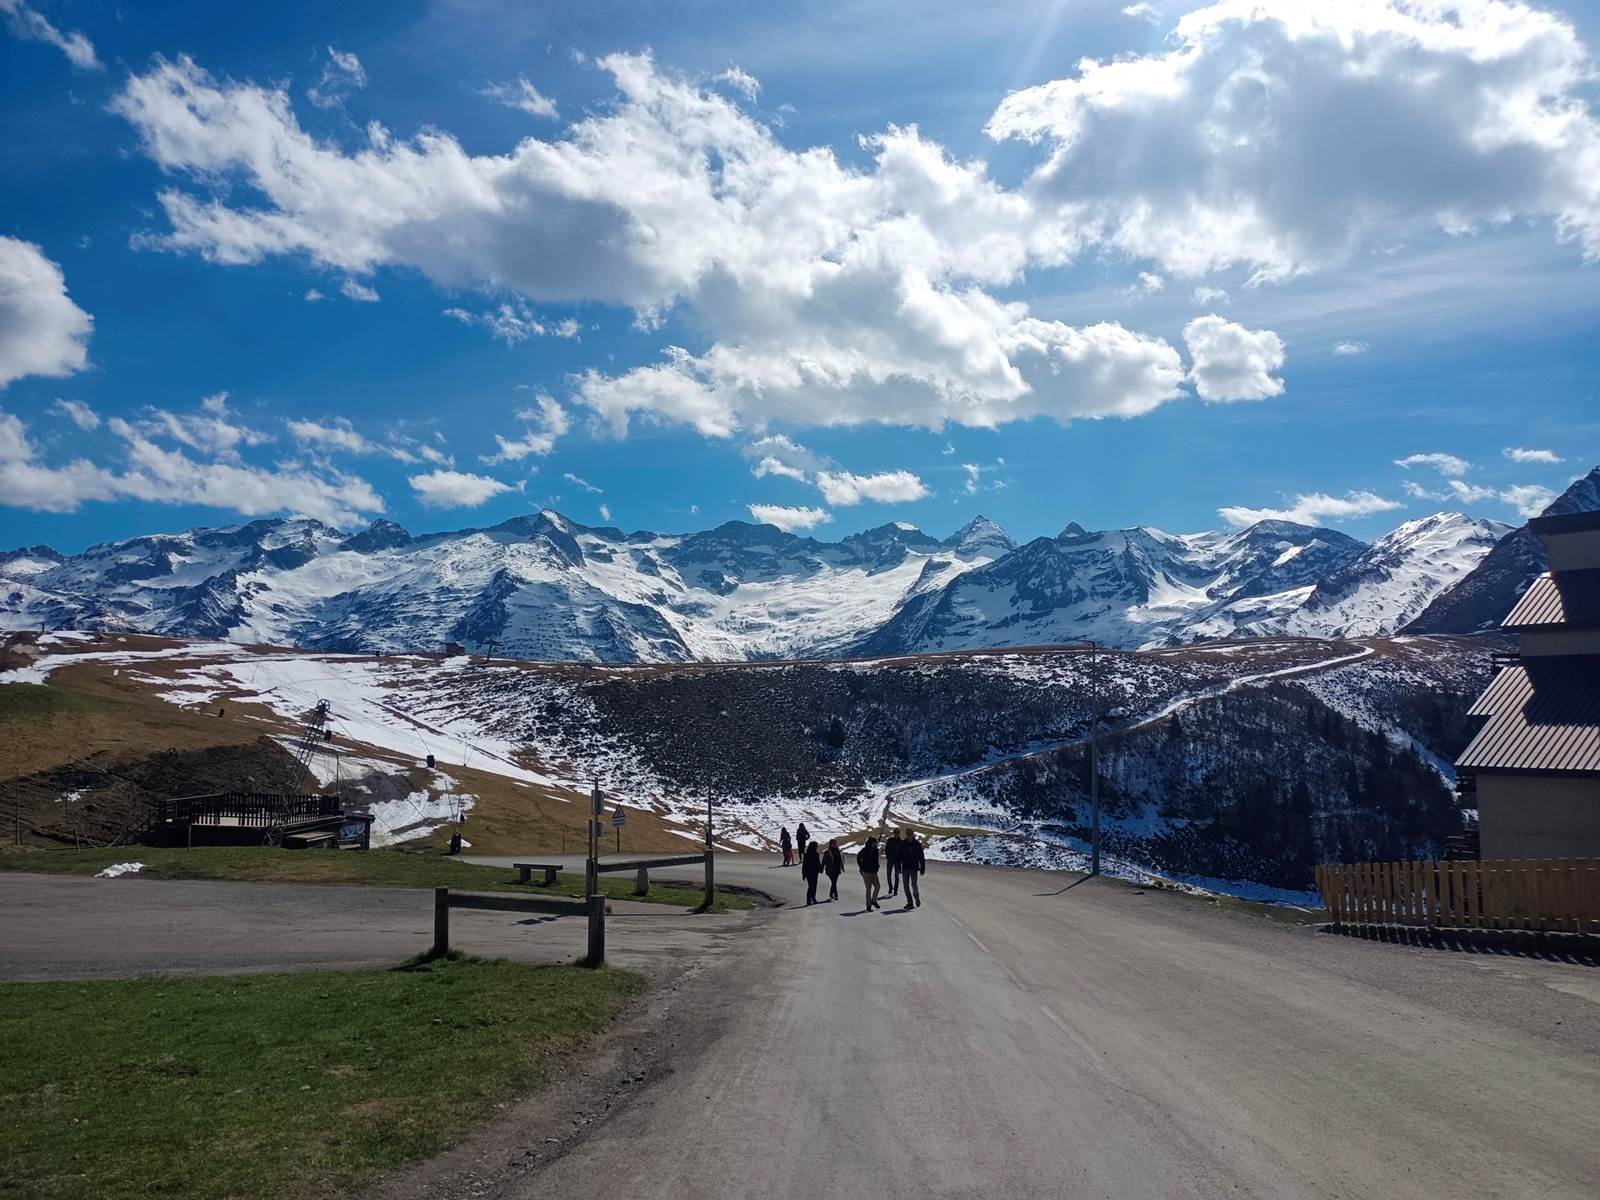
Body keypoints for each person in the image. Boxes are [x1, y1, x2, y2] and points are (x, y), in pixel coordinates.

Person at [900, 829, 925, 910]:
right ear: (906, 834)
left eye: (910, 834)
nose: (909, 835)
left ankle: (916, 897)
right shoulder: (903, 843)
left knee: (914, 885)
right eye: (908, 834)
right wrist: (898, 866)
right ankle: (910, 902)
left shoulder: (917, 844)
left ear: (913, 834)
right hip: (905, 867)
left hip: (914, 868)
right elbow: (899, 856)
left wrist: (922, 868)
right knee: (905, 886)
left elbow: (921, 857)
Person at [858, 835, 881, 910]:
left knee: (877, 886)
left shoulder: (875, 850)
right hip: (866, 872)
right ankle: (868, 905)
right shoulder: (865, 850)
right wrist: (862, 867)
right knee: (868, 889)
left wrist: (877, 866)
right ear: (871, 843)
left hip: (874, 872)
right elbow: (858, 857)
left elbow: (876, 860)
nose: (875, 844)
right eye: (874, 843)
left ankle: (873, 900)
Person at [801, 840, 822, 905]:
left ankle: (813, 898)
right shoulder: (807, 855)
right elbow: (804, 865)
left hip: (815, 872)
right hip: (809, 872)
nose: (817, 847)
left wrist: (820, 869)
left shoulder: (816, 854)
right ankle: (808, 899)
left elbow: (818, 863)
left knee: (814, 886)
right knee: (811, 886)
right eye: (816, 846)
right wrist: (804, 874)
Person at [884, 828, 902, 897]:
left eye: (897, 833)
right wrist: (887, 856)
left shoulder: (901, 842)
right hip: (890, 860)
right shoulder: (890, 840)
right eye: (895, 833)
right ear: (894, 833)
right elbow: (886, 849)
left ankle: (895, 890)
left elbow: (902, 852)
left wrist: (901, 861)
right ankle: (890, 887)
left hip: (897, 861)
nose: (896, 834)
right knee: (888, 875)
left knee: (896, 877)